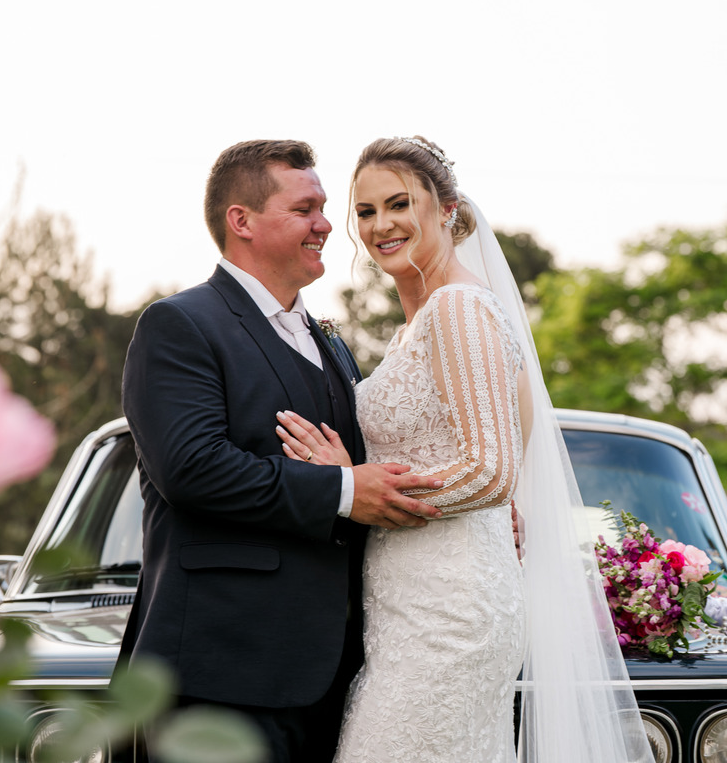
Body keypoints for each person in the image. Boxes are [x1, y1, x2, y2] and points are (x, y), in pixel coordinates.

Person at [278, 136, 654, 763]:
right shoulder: (426, 319)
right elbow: (515, 428)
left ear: (447, 208)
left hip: (452, 613)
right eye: (365, 212)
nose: (381, 225)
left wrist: (357, 486)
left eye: (399, 203)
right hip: (414, 605)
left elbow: (492, 469)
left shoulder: (458, 307)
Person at [113, 139, 445, 763]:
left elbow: (373, 458)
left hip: (335, 676)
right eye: (306, 209)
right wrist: (344, 492)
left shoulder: (330, 343)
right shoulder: (180, 326)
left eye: (323, 208)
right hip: (221, 676)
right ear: (242, 220)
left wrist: (465, 499)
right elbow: (192, 468)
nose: (327, 224)